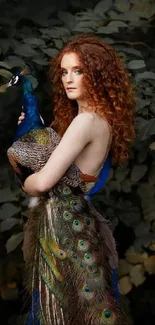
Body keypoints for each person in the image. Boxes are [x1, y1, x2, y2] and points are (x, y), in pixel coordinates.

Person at [17, 34, 135, 325]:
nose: (69, 79)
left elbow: (44, 182)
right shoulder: (99, 119)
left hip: (63, 232)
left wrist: (26, 182)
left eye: (78, 71)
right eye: (64, 71)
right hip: (79, 226)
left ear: (95, 75)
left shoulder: (85, 122)